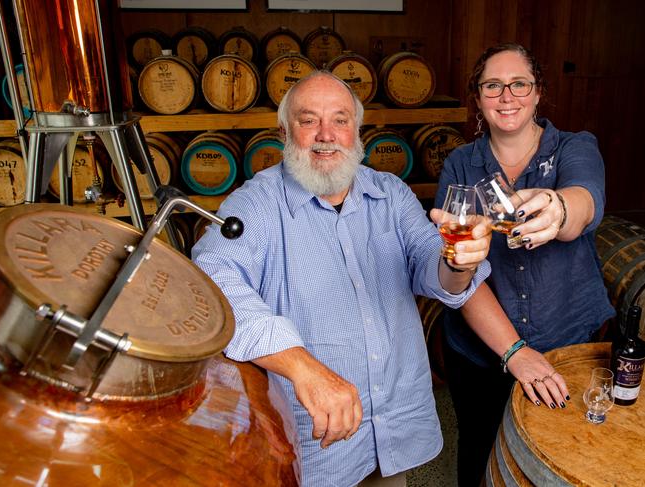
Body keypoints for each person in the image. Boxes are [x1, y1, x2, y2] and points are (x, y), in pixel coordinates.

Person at [192, 71, 493, 487]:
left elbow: (433, 270)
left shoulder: (391, 192)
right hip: (315, 439)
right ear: (284, 131)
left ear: (357, 130)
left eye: (340, 119)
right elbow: (210, 279)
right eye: (308, 120)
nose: (326, 134)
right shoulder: (256, 203)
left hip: (393, 422)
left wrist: (459, 263)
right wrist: (302, 367)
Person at [435, 43, 616, 487]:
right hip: (481, 351)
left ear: (538, 93)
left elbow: (584, 201)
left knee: (562, 454)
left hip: (567, 342)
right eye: (493, 86)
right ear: (478, 98)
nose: (507, 95)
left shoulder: (575, 147)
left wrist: (558, 207)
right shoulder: (461, 164)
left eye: (519, 84)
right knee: (478, 452)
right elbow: (462, 273)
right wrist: (514, 351)